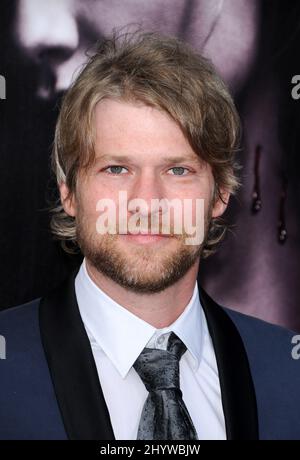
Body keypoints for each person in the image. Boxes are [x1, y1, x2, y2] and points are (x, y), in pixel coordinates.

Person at [0, 31, 299, 441]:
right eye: (117, 169)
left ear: (221, 194)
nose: (146, 202)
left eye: (178, 170)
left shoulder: (288, 372)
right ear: (68, 190)